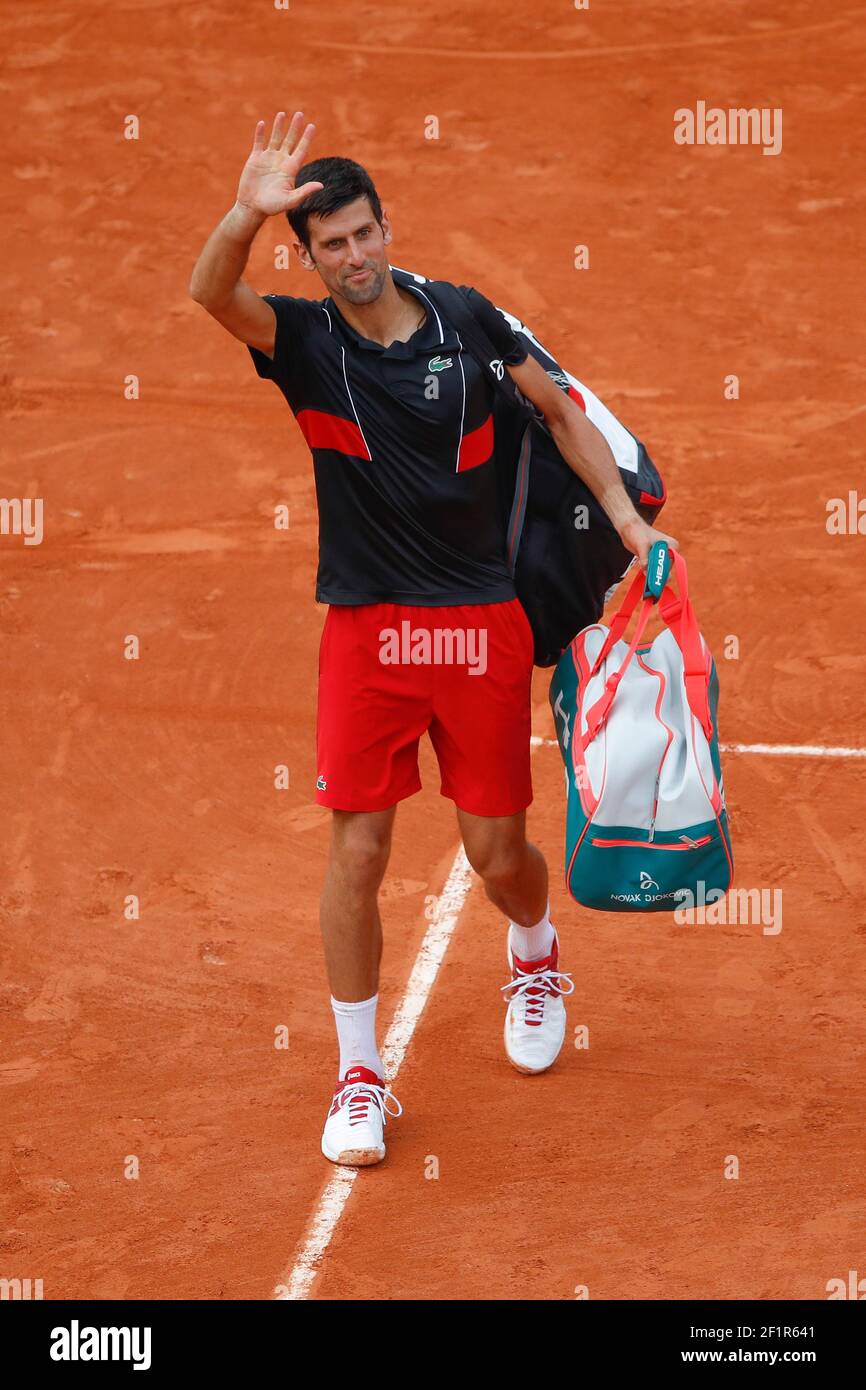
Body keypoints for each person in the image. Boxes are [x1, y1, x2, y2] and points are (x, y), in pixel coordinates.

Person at [189, 110, 675, 1168]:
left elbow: (558, 412)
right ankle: (358, 1071)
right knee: (356, 849)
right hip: (367, 627)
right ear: (307, 257)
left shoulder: (465, 321)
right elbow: (208, 296)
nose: (354, 257)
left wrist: (629, 522)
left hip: (478, 628)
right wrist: (242, 210)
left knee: (497, 854)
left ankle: (534, 950)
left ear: (383, 227)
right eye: (330, 245)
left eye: (364, 233)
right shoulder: (305, 345)